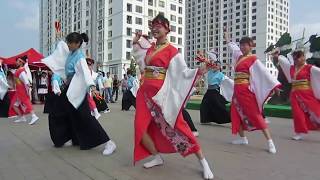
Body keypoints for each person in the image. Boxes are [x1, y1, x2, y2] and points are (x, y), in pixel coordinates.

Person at [131, 14, 214, 179]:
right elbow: (139, 57)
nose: (155, 28)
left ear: (167, 29)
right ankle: (156, 157)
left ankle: (204, 162)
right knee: (140, 128)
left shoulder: (172, 51)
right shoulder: (150, 48)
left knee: (180, 127)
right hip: (144, 94)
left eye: (159, 26)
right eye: (153, 26)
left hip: (162, 95)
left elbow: (182, 73)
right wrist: (135, 40)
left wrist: (198, 71)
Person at [42, 32, 116, 155]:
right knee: (60, 112)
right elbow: (60, 57)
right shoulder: (70, 54)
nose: (68, 45)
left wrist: (92, 87)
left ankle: (109, 143)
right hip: (68, 88)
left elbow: (86, 73)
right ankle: (69, 138)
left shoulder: (80, 57)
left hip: (77, 90)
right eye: (68, 42)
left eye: (70, 43)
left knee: (85, 116)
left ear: (77, 44)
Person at [224, 29, 280, 154]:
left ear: (251, 46)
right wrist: (227, 38)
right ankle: (243, 138)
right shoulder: (238, 57)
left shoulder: (253, 59)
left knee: (255, 115)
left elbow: (264, 73)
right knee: (235, 114)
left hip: (246, 90)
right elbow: (232, 48)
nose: (243, 47)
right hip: (237, 91)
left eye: (246, 45)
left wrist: (274, 85)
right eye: (241, 45)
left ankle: (270, 141)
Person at [272, 49, 320, 140]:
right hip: (295, 94)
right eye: (295, 58)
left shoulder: (310, 68)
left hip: (307, 94)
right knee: (297, 114)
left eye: (299, 57)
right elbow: (284, 62)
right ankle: (299, 133)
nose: (297, 60)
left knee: (316, 112)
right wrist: (277, 56)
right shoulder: (292, 68)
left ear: (304, 57)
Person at [199, 50, 231, 124]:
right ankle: (206, 119)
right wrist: (203, 56)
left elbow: (227, 82)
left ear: (219, 67)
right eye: (214, 65)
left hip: (215, 92)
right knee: (204, 105)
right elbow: (204, 68)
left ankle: (230, 118)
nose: (215, 66)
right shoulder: (209, 72)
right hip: (209, 92)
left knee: (219, 107)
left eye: (217, 65)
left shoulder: (221, 75)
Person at [10, 55, 39, 125]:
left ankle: (34, 116)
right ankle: (22, 117)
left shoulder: (21, 70)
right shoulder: (20, 70)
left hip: (22, 90)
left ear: (21, 62)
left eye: (17, 61)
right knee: (14, 105)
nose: (16, 62)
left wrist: (28, 86)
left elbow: (25, 80)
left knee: (26, 102)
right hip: (19, 90)